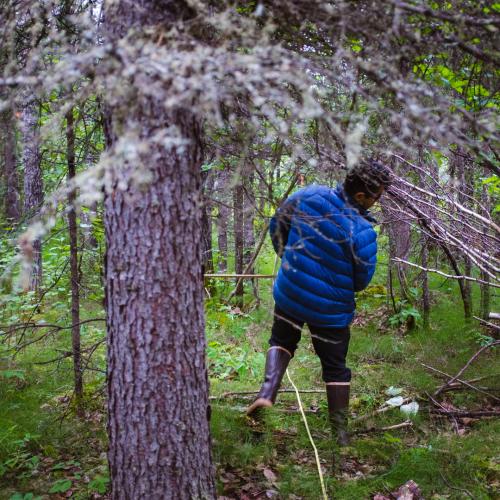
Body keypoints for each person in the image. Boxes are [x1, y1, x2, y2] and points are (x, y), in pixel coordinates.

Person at [246, 159, 392, 450]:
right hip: (331, 312)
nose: (377, 202)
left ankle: (267, 392)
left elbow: (278, 226)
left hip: (291, 293)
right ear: (362, 196)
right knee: (335, 367)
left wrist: (291, 260)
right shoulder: (362, 231)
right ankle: (341, 436)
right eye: (377, 196)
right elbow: (361, 279)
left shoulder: (307, 195)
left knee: (282, 340)